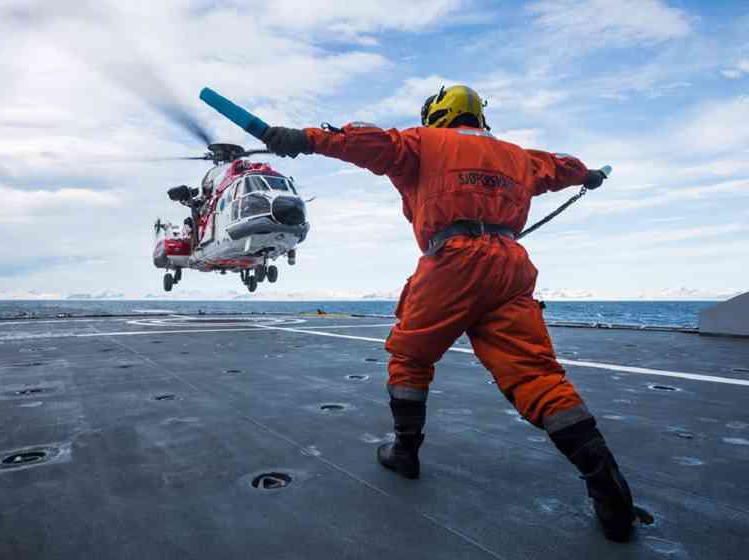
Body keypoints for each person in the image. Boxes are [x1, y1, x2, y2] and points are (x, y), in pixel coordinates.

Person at [262, 85, 642, 542]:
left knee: (410, 357)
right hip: (510, 265)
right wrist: (591, 176)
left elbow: (364, 141)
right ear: (479, 116)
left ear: (438, 114)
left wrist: (299, 139)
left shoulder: (422, 141)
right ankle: (610, 493)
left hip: (453, 258)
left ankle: (406, 453)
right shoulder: (521, 157)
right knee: (536, 376)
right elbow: (563, 167)